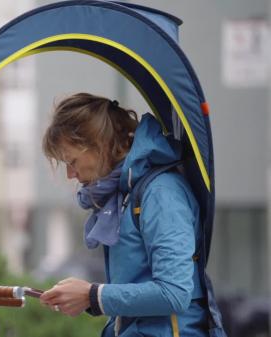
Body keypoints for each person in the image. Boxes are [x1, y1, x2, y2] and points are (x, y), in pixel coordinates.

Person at [39, 92, 209, 336]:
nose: (70, 174)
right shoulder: (129, 193)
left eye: (72, 161)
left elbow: (174, 293)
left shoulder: (161, 193)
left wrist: (92, 295)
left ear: (99, 145)